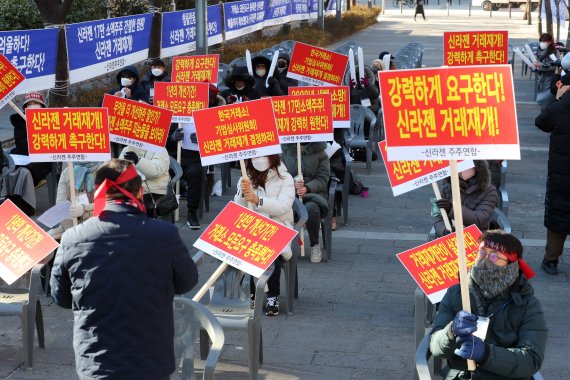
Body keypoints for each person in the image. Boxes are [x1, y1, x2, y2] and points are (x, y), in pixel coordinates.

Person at [50, 159, 198, 380]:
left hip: (96, 362)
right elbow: (187, 281)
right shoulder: (164, 234)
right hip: (151, 360)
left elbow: (59, 296)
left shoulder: (73, 238)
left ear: (99, 192)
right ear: (139, 191)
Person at [429, 230, 547, 380]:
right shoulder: (456, 293)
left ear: (511, 264)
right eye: (481, 252)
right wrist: (450, 332)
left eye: (494, 255)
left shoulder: (527, 304)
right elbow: (435, 347)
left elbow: (531, 360)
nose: (485, 259)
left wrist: (486, 354)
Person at [234, 154, 295, 316]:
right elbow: (238, 208)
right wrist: (242, 192)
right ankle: (250, 292)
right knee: (241, 250)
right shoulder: (246, 176)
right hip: (252, 227)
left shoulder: (286, 179)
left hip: (278, 226)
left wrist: (257, 200)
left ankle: (272, 295)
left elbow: (283, 206)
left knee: (272, 251)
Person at [167, 83, 226, 229]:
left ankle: (191, 211)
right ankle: (160, 209)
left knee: (196, 173)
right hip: (173, 156)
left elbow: (223, 140)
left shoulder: (214, 115)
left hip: (195, 157)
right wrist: (172, 138)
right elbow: (161, 139)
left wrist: (204, 138)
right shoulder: (175, 112)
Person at [534, 74, 570, 275]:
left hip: (560, 175)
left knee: (558, 215)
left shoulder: (558, 108)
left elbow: (541, 122)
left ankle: (551, 260)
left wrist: (557, 99)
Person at [281, 142, 330, 263]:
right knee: (281, 209)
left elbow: (323, 178)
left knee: (311, 209)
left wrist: (307, 187)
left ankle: (314, 245)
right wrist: (292, 183)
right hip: (290, 194)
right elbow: (280, 175)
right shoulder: (285, 151)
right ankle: (284, 245)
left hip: (313, 195)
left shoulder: (321, 153)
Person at [434, 160, 498, 238]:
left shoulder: (489, 191)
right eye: (458, 165)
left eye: (466, 165)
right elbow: (438, 218)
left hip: (477, 238)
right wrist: (443, 231)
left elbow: (479, 219)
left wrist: (452, 209)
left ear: (477, 168)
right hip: (450, 237)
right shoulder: (447, 188)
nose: (462, 170)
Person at [9, 91, 53, 187]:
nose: (32, 106)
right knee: (9, 168)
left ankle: (24, 189)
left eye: (36, 103)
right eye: (29, 104)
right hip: (24, 155)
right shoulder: (20, 122)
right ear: (25, 108)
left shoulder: (51, 120)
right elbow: (20, 142)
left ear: (42, 106)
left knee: (27, 172)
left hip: (43, 157)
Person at [47, 161, 100, 239]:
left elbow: (108, 204)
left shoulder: (104, 171)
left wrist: (84, 210)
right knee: (48, 238)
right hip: (71, 223)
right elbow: (60, 204)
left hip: (98, 222)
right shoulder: (67, 172)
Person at [119, 146, 170, 218]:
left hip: (154, 190)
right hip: (132, 189)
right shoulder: (127, 149)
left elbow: (155, 172)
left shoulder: (160, 149)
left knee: (135, 206)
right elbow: (120, 172)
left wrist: (138, 161)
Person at [533, 33, 560, 109]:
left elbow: (555, 65)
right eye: (541, 41)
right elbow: (536, 64)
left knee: (547, 101)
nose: (542, 43)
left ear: (550, 42)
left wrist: (541, 65)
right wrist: (533, 66)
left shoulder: (554, 52)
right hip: (541, 79)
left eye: (545, 41)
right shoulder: (538, 51)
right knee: (542, 101)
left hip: (550, 79)